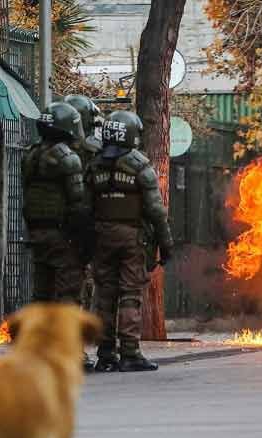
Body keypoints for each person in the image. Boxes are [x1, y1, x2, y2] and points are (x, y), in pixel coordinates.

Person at [89, 110, 174, 372]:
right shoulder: (139, 165)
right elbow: (156, 210)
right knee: (129, 293)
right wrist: (165, 243)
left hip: (101, 236)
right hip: (131, 238)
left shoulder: (95, 164)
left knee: (105, 293)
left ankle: (105, 353)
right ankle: (130, 352)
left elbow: (84, 204)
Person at [22, 102, 94, 370]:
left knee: (41, 295)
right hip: (63, 236)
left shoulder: (30, 155)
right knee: (68, 296)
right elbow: (77, 204)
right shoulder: (68, 158)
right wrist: (83, 240)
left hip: (37, 233)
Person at [64, 94, 103, 312]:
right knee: (80, 282)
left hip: (53, 226)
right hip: (83, 225)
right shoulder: (91, 151)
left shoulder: (43, 151)